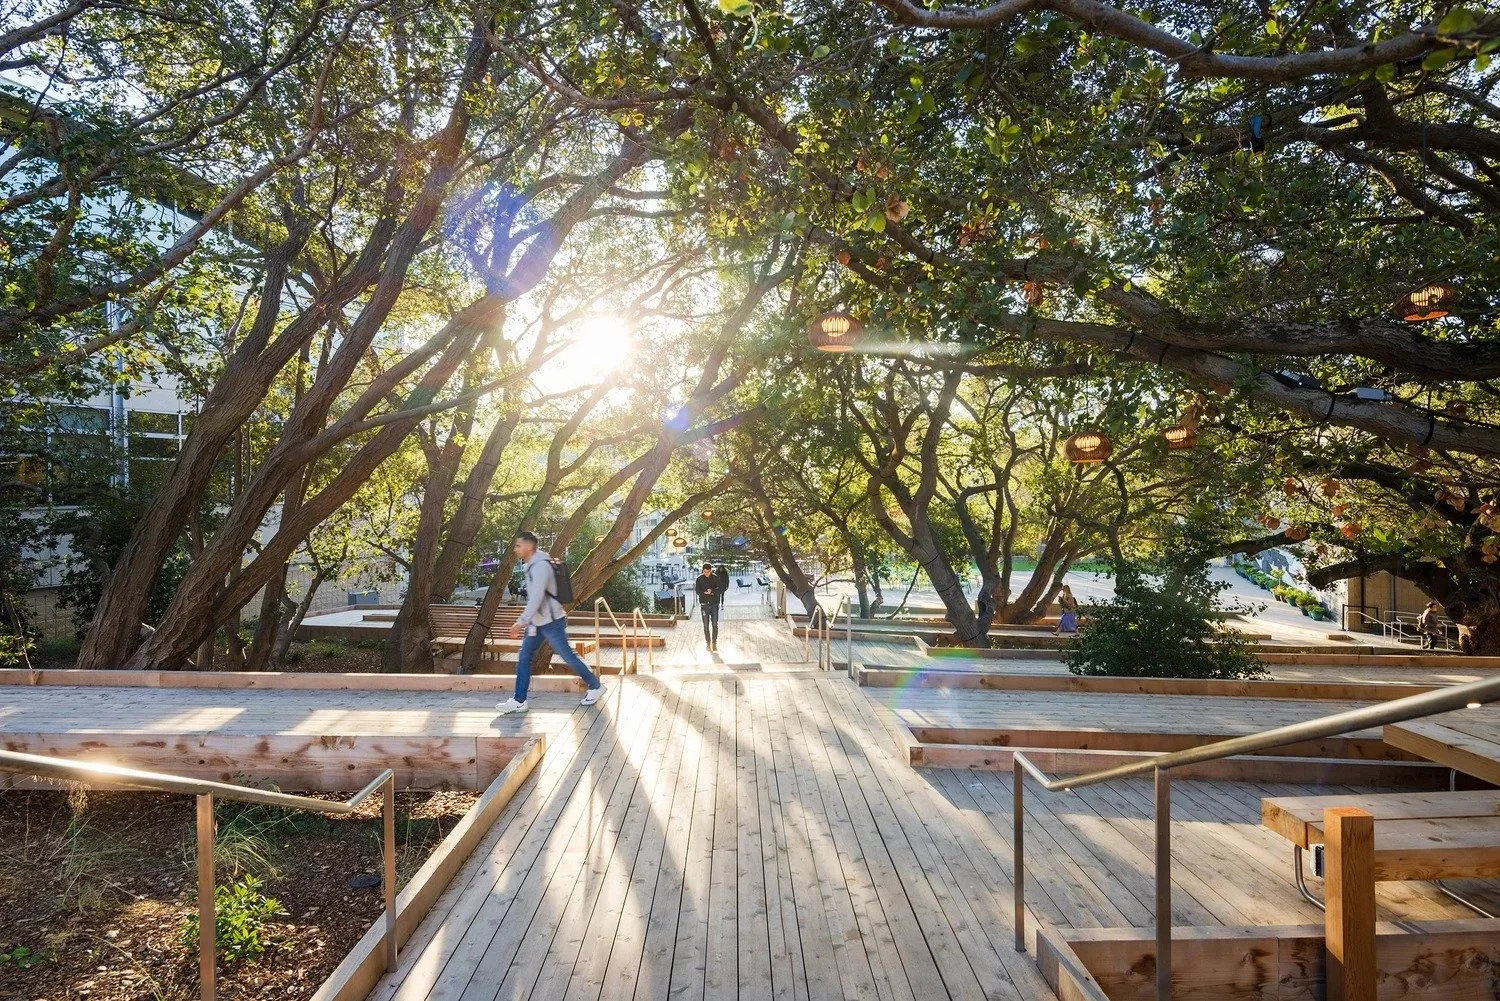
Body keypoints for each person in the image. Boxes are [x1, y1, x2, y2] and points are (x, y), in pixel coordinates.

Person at [494, 532, 606, 715]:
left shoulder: (540, 567)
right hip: (537, 623)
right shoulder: (530, 565)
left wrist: (520, 622)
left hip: (551, 621)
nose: (516, 549)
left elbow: (536, 598)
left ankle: (595, 685)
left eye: (518, 546)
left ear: (529, 547)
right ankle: (519, 700)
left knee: (567, 656)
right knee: (524, 658)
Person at [695, 562, 722, 652]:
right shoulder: (699, 579)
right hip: (704, 604)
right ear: (703, 570)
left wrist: (712, 591)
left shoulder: (715, 577)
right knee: (706, 625)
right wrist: (704, 593)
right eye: (704, 571)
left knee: (714, 624)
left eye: (708, 571)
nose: (706, 573)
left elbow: (720, 589)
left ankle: (714, 643)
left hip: (714, 604)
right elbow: (697, 591)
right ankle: (708, 642)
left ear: (711, 570)